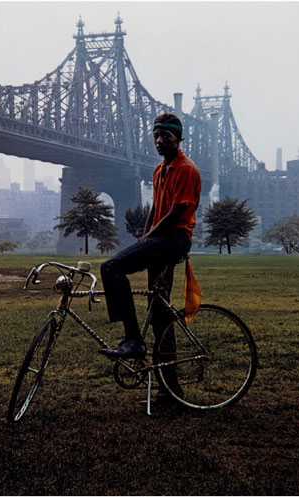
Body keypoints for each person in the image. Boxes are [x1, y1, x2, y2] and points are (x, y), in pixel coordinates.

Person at [99, 112, 202, 402]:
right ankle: (171, 391)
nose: (159, 141)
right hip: (160, 238)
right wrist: (143, 236)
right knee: (160, 315)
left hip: (174, 239)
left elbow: (176, 213)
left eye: (165, 136)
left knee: (111, 268)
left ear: (178, 139)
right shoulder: (159, 170)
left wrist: (149, 238)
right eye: (156, 136)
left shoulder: (185, 169)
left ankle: (133, 340)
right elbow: (156, 210)